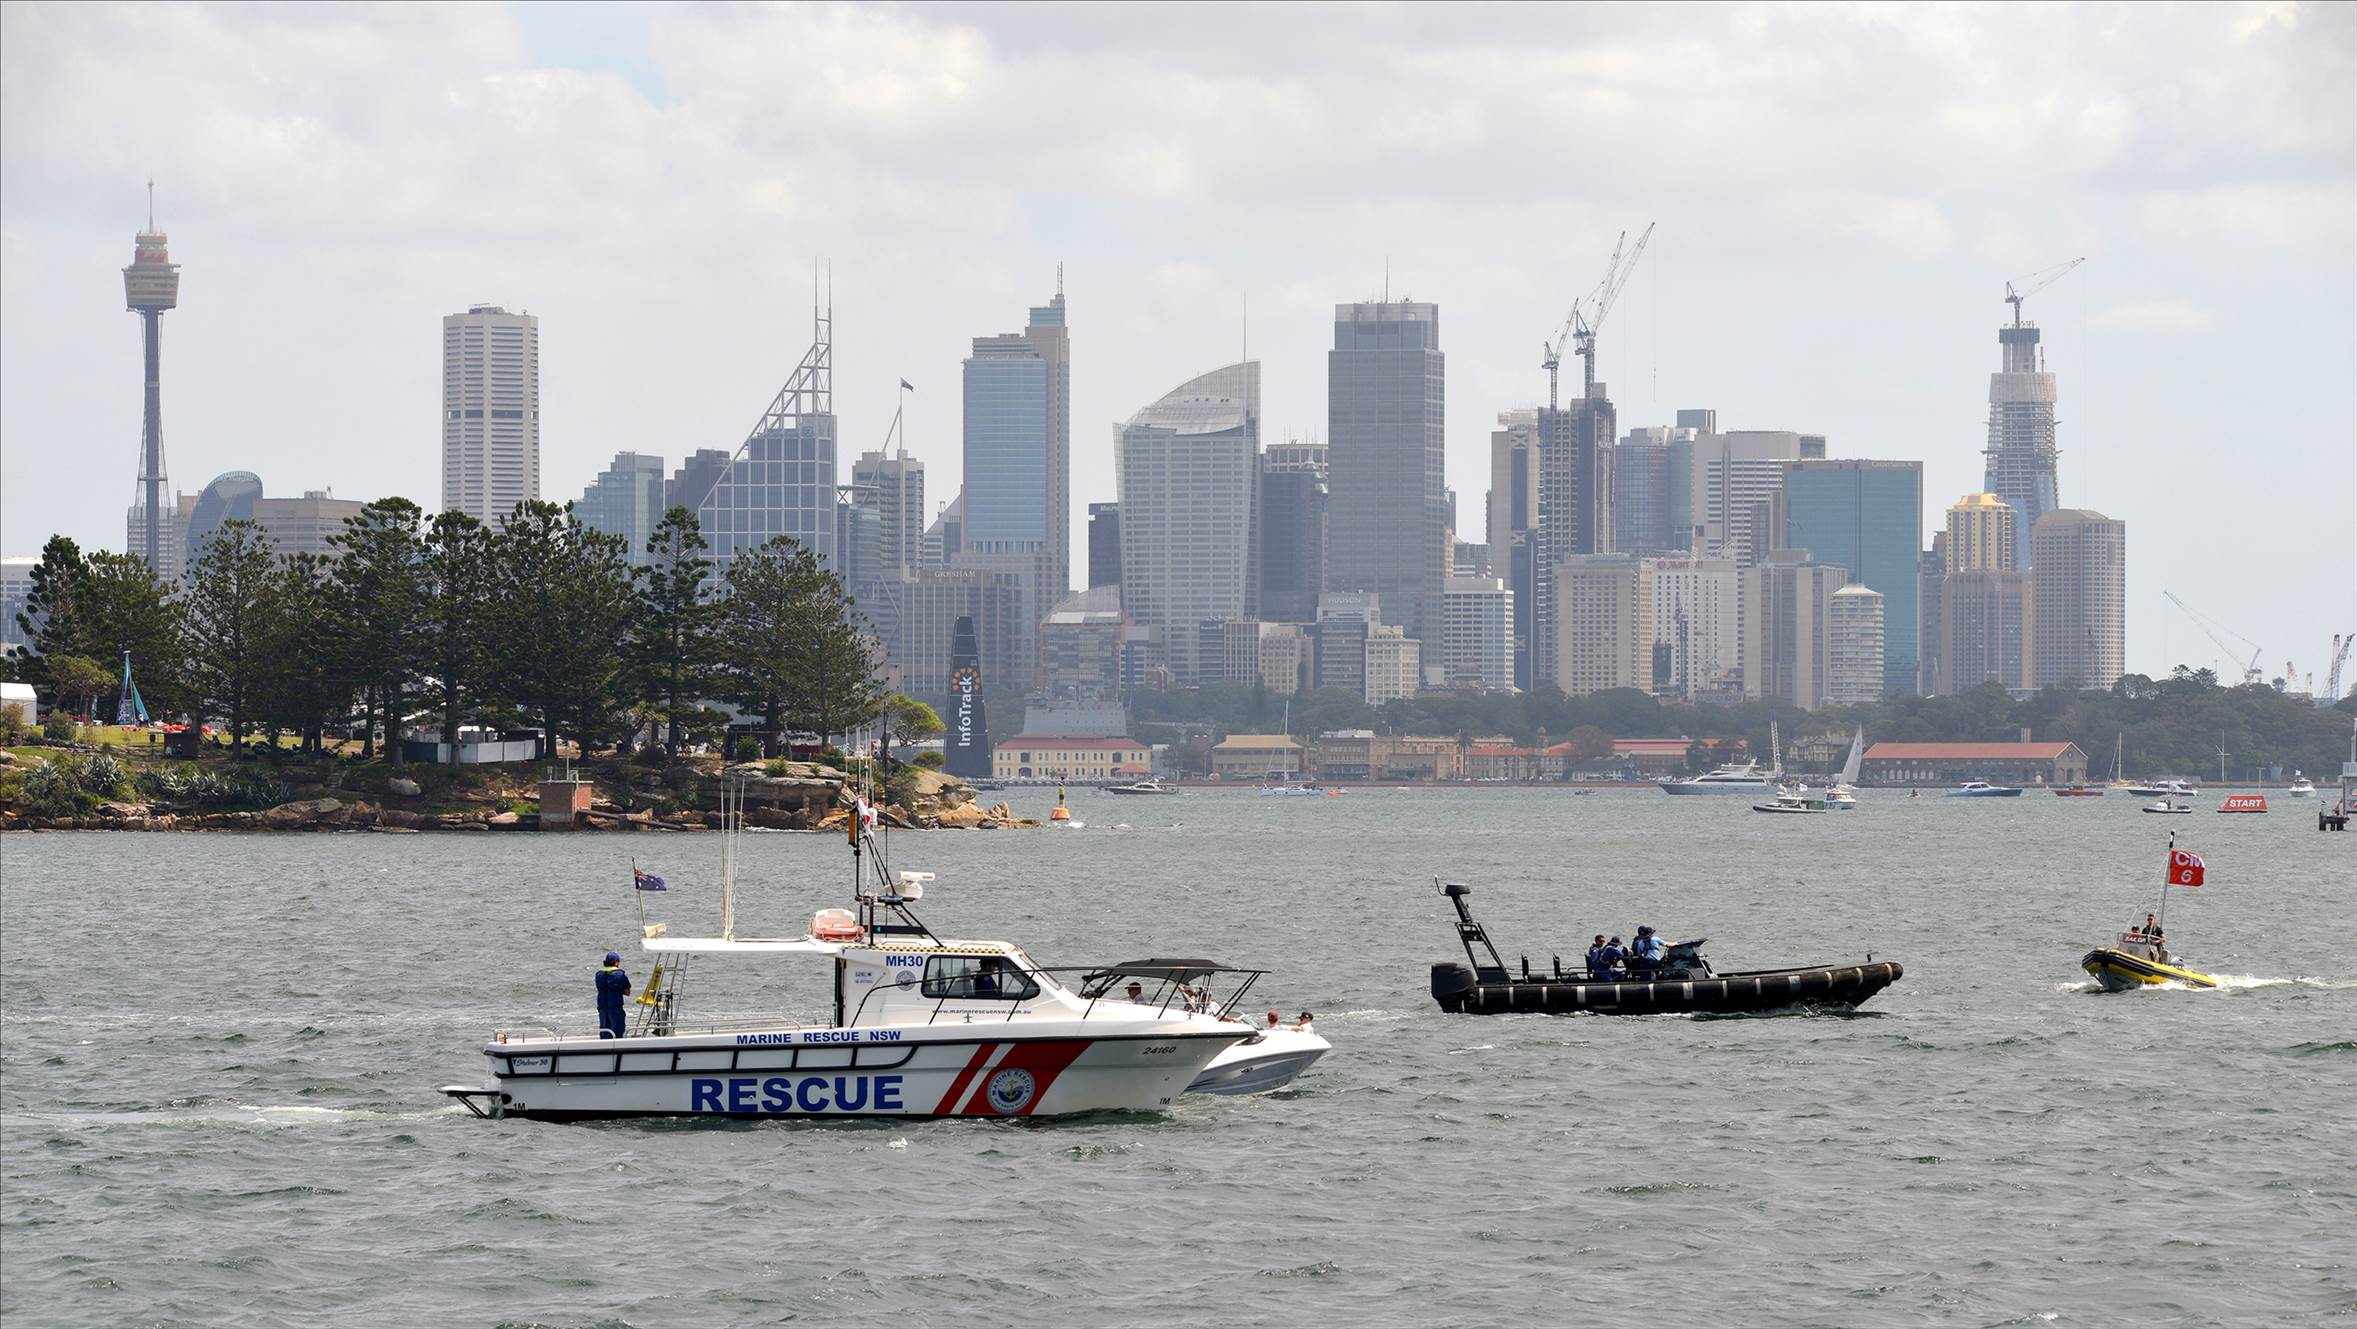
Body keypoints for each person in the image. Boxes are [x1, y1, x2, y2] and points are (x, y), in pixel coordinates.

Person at [594, 951, 631, 1039]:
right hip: (615, 1007)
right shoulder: (620, 974)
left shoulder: (598, 974)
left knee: (605, 1031)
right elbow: (627, 992)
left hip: (602, 1007)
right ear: (616, 962)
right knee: (617, 1031)